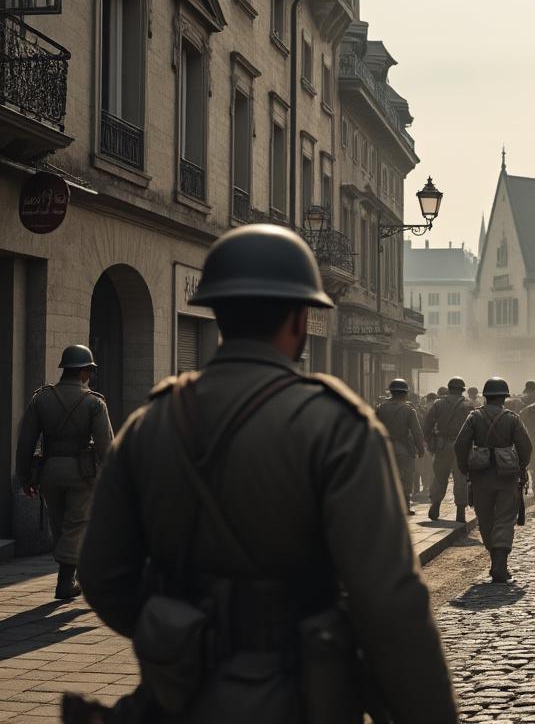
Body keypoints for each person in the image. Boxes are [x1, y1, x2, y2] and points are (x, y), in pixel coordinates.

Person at [77, 225, 456, 722]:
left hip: (181, 699)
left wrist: (181, 632)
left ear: (217, 314)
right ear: (300, 319)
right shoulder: (337, 426)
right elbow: (389, 602)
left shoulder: (151, 423)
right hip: (302, 698)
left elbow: (102, 575)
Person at [13, 344, 114, 600]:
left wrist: (24, 477)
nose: (90, 375)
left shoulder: (41, 399)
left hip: (49, 471)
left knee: (59, 525)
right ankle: (65, 582)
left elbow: (25, 442)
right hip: (83, 473)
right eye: (89, 370)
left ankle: (71, 574)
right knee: (77, 524)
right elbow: (106, 445)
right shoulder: (94, 402)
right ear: (82, 371)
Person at [456, 377, 533, 583]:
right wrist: (521, 467)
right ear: (504, 397)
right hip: (507, 476)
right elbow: (526, 447)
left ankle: (495, 562)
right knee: (505, 519)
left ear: (486, 396)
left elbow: (461, 444)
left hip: (480, 476)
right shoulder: (512, 418)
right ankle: (500, 564)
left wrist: (465, 468)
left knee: (485, 519)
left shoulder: (474, 417)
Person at [422, 377, 471, 523]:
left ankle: (435, 504)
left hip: (442, 445)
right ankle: (460, 512)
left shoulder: (438, 404)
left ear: (449, 389)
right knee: (461, 478)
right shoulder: (468, 405)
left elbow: (427, 424)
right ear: (462, 390)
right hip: (462, 447)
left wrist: (431, 441)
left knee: (440, 477)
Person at [377, 379, 426, 515]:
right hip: (404, 449)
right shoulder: (408, 410)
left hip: (385, 449)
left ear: (391, 392)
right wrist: (420, 448)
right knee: (406, 478)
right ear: (405, 393)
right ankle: (405, 506)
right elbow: (416, 432)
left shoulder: (381, 408)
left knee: (386, 478)